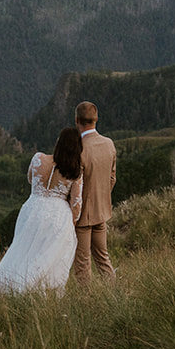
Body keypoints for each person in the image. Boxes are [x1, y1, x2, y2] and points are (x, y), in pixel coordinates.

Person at [0, 126, 85, 311]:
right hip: (56, 217)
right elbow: (76, 205)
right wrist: (71, 223)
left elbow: (31, 179)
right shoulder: (75, 172)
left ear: (58, 142)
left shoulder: (38, 158)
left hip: (32, 210)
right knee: (46, 260)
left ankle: (6, 291)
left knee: (20, 253)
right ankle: (35, 299)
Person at [72, 100, 117, 284]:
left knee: (83, 264)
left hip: (82, 216)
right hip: (102, 211)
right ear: (96, 119)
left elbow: (75, 186)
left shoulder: (78, 148)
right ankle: (115, 295)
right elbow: (112, 179)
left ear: (77, 121)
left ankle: (86, 305)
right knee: (103, 258)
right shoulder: (109, 144)